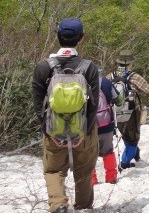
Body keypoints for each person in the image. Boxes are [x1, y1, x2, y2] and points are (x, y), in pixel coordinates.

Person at [32, 18, 100, 213]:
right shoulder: (89, 67)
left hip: (53, 129)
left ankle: (59, 204)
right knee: (84, 170)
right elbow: (92, 104)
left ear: (57, 36)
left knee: (53, 170)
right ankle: (83, 207)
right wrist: (85, 133)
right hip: (84, 129)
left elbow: (38, 104)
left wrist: (49, 131)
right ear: (81, 39)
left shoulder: (44, 67)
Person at [108, 51, 149, 170]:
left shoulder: (110, 76)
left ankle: (135, 156)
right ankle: (124, 163)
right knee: (133, 137)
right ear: (130, 63)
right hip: (131, 112)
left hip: (115, 113)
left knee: (126, 135)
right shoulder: (134, 77)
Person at [91, 69, 121, 185]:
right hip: (107, 124)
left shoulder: (81, 83)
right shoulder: (106, 82)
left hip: (89, 126)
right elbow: (119, 100)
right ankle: (111, 177)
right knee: (108, 151)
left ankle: (92, 180)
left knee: (89, 154)